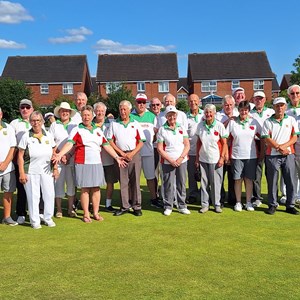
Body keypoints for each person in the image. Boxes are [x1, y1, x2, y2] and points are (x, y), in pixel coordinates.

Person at [53, 105, 126, 223]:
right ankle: (86, 214)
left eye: (88, 115)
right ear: (81, 117)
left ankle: (96, 213)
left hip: (97, 163)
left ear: (92, 116)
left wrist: (117, 157)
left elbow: (106, 145)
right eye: (84, 115)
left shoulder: (97, 130)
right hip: (82, 163)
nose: (86, 117)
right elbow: (70, 144)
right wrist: (60, 154)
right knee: (85, 189)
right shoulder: (77, 129)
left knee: (96, 189)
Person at [18, 111, 59, 229]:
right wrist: (21, 172)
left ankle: (47, 217)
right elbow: (20, 155)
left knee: (49, 194)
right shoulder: (26, 136)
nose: (35, 123)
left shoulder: (48, 135)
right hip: (30, 171)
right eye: (33, 120)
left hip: (47, 170)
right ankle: (34, 221)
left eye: (38, 120)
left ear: (42, 121)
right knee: (33, 196)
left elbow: (53, 151)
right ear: (30, 122)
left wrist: (55, 168)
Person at [107, 100, 145, 217]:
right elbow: (110, 141)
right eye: (121, 109)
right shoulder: (114, 124)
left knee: (135, 181)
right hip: (120, 156)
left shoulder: (135, 123)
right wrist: (121, 153)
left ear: (129, 110)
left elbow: (141, 141)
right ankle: (125, 206)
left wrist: (132, 153)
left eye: (125, 109)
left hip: (134, 155)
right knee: (123, 182)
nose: (123, 112)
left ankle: (136, 206)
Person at [261, 97, 299, 215]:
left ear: (285, 107)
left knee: (290, 180)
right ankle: (272, 205)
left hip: (288, 154)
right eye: (277, 105)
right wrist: (278, 147)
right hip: (272, 155)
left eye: (282, 105)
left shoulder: (291, 120)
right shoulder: (268, 121)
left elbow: (294, 137)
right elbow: (266, 138)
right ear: (274, 107)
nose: (280, 108)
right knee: (272, 181)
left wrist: (283, 147)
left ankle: (290, 205)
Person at [227, 101, 262, 212]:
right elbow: (225, 138)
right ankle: (238, 202)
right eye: (241, 110)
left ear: (248, 111)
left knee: (249, 179)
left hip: (251, 156)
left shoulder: (254, 122)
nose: (243, 112)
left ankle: (248, 202)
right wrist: (226, 154)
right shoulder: (233, 123)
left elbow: (263, 136)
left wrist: (262, 152)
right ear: (238, 110)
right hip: (236, 155)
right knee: (237, 179)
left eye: (246, 110)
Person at [157, 106, 190, 216]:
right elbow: (160, 148)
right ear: (166, 116)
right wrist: (171, 160)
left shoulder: (181, 128)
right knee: (168, 184)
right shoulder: (162, 129)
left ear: (176, 116)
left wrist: (180, 158)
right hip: (168, 161)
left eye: (173, 115)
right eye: (169, 115)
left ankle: (182, 205)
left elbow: (187, 145)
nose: (172, 117)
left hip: (182, 160)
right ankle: (168, 206)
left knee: (181, 183)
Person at [131, 93, 162, 208]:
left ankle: (154, 199)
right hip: (135, 153)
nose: (141, 104)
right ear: (135, 103)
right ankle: (134, 200)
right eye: (139, 102)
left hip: (148, 152)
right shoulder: (131, 116)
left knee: (150, 177)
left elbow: (155, 135)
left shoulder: (152, 116)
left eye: (143, 102)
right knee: (134, 179)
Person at [196, 104, 227, 213]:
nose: (208, 114)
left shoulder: (219, 125)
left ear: (214, 113)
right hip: (203, 158)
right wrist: (197, 159)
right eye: (206, 112)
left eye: (210, 112)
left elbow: (224, 143)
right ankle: (205, 204)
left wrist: (222, 158)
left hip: (216, 159)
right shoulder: (200, 125)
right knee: (204, 183)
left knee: (216, 183)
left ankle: (217, 204)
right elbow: (199, 142)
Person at [49, 102, 77, 218]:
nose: (64, 113)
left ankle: (70, 209)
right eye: (62, 111)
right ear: (59, 112)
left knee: (71, 185)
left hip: (71, 159)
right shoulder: (54, 125)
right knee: (58, 185)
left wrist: (68, 155)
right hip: (57, 160)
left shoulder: (75, 125)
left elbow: (75, 143)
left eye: (67, 111)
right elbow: (51, 143)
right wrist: (58, 156)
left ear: (70, 113)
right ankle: (59, 209)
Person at [10, 99, 34, 224]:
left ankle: (35, 212)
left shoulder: (36, 121)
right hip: (18, 160)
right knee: (21, 188)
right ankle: (21, 213)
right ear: (19, 109)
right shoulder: (14, 123)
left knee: (35, 188)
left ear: (32, 109)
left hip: (34, 161)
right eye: (22, 107)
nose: (25, 109)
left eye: (27, 107)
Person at [250, 91, 274, 207]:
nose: (259, 100)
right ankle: (257, 197)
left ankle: (272, 198)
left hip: (271, 144)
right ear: (253, 100)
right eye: (256, 98)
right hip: (256, 144)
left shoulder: (271, 112)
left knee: (271, 173)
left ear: (265, 99)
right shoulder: (249, 113)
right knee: (257, 172)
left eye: (261, 98)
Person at [93, 101, 119, 212]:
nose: (100, 113)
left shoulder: (111, 123)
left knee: (110, 182)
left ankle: (108, 204)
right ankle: (93, 204)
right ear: (94, 112)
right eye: (98, 111)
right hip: (94, 159)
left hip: (108, 158)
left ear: (105, 112)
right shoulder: (89, 124)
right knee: (94, 183)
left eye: (102, 111)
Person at [216, 95, 238, 206]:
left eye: (230, 105)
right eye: (226, 105)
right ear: (223, 105)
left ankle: (232, 199)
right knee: (219, 176)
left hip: (234, 151)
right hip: (220, 150)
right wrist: (228, 121)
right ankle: (220, 199)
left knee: (232, 176)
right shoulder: (218, 116)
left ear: (234, 105)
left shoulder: (239, 114)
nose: (228, 107)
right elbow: (217, 130)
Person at [0, 107, 18, 226]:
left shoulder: (9, 128)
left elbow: (13, 147)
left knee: (8, 192)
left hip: (7, 167)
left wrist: (6, 163)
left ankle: (7, 217)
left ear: (1, 115)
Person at [186, 94, 203, 204]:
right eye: (191, 101)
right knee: (192, 175)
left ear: (199, 101)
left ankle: (204, 194)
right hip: (190, 151)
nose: (193, 103)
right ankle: (192, 194)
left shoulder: (205, 114)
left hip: (204, 151)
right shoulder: (185, 116)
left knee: (204, 175)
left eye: (195, 101)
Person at [149, 97, 163, 200]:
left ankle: (164, 194)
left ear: (161, 105)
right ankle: (155, 195)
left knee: (163, 173)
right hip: (152, 148)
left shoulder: (164, 116)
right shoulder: (148, 117)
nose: (155, 107)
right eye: (153, 105)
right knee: (153, 173)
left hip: (163, 149)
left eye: (157, 104)